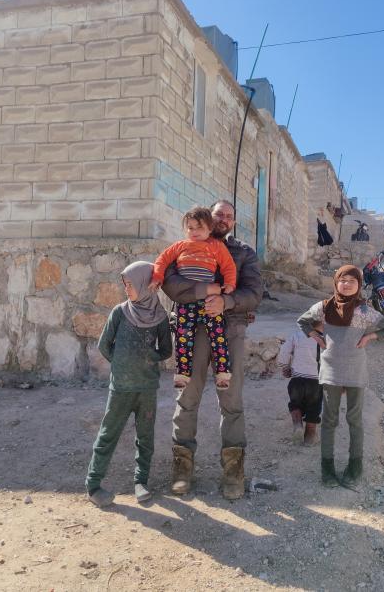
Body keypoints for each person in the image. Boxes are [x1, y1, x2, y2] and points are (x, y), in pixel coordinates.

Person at [162, 200, 263, 500]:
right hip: (191, 332)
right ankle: (182, 471)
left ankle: (233, 472)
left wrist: (227, 302)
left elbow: (254, 292)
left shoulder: (243, 252)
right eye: (219, 214)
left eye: (229, 216)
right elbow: (171, 284)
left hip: (229, 332)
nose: (224, 220)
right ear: (209, 216)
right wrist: (205, 292)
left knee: (231, 401)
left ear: (233, 222)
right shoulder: (184, 246)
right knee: (187, 397)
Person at [297, 265, 384, 488]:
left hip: (356, 372)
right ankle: (327, 469)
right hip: (330, 372)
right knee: (330, 420)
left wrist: (369, 337)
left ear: (359, 285)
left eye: (353, 281)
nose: (347, 284)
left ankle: (355, 467)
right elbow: (302, 321)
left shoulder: (364, 311)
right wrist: (314, 334)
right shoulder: (323, 308)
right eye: (343, 280)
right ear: (335, 282)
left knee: (354, 420)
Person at [85, 261, 173, 507]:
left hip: (146, 389)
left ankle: (141, 481)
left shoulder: (159, 318)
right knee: (108, 434)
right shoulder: (120, 312)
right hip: (121, 388)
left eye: (130, 284)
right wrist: (122, 363)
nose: (126, 289)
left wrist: (148, 358)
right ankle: (93, 484)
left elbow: (166, 350)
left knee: (145, 436)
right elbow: (104, 345)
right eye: (124, 284)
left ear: (146, 285)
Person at [150, 206, 237, 390]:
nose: (194, 232)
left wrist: (229, 284)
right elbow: (162, 260)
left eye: (199, 228)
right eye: (190, 228)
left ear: (209, 228)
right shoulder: (180, 246)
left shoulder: (216, 246)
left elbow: (228, 266)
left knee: (217, 335)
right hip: (186, 300)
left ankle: (222, 373)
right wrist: (157, 277)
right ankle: (182, 374)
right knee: (183, 336)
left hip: (210, 301)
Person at [277, 325, 323, 446]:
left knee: (295, 404)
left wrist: (285, 367)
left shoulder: (297, 335)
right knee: (314, 408)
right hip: (316, 382)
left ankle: (297, 425)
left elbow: (284, 351)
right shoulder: (327, 339)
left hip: (297, 380)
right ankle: (310, 436)